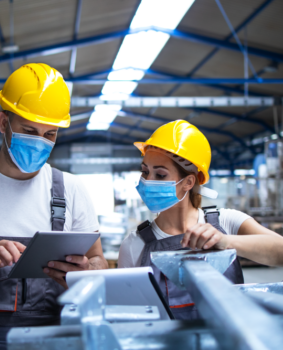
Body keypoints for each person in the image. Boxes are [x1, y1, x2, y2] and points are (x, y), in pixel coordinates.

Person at [0, 63, 108, 350]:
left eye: (49, 134)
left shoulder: (71, 190)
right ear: (3, 123)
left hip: (52, 341)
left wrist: (84, 272)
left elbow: (98, 261)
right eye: (29, 130)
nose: (40, 142)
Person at [118, 119, 283, 320]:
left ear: (188, 182)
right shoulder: (134, 244)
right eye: (145, 172)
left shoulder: (226, 222)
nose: (147, 181)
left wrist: (225, 241)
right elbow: (129, 316)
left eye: (160, 175)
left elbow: (279, 252)